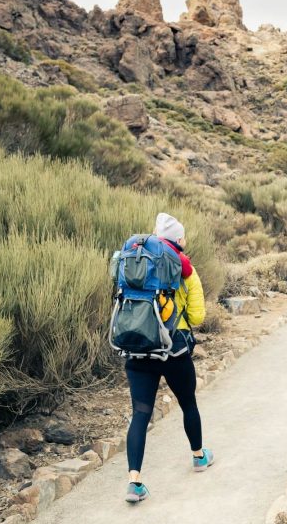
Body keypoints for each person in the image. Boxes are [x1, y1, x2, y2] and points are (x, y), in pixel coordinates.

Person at [124, 213, 213, 503]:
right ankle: (199, 457)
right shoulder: (186, 270)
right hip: (173, 349)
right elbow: (198, 316)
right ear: (179, 241)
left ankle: (134, 482)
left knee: (140, 414)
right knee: (188, 403)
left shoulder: (134, 262)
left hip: (137, 347)